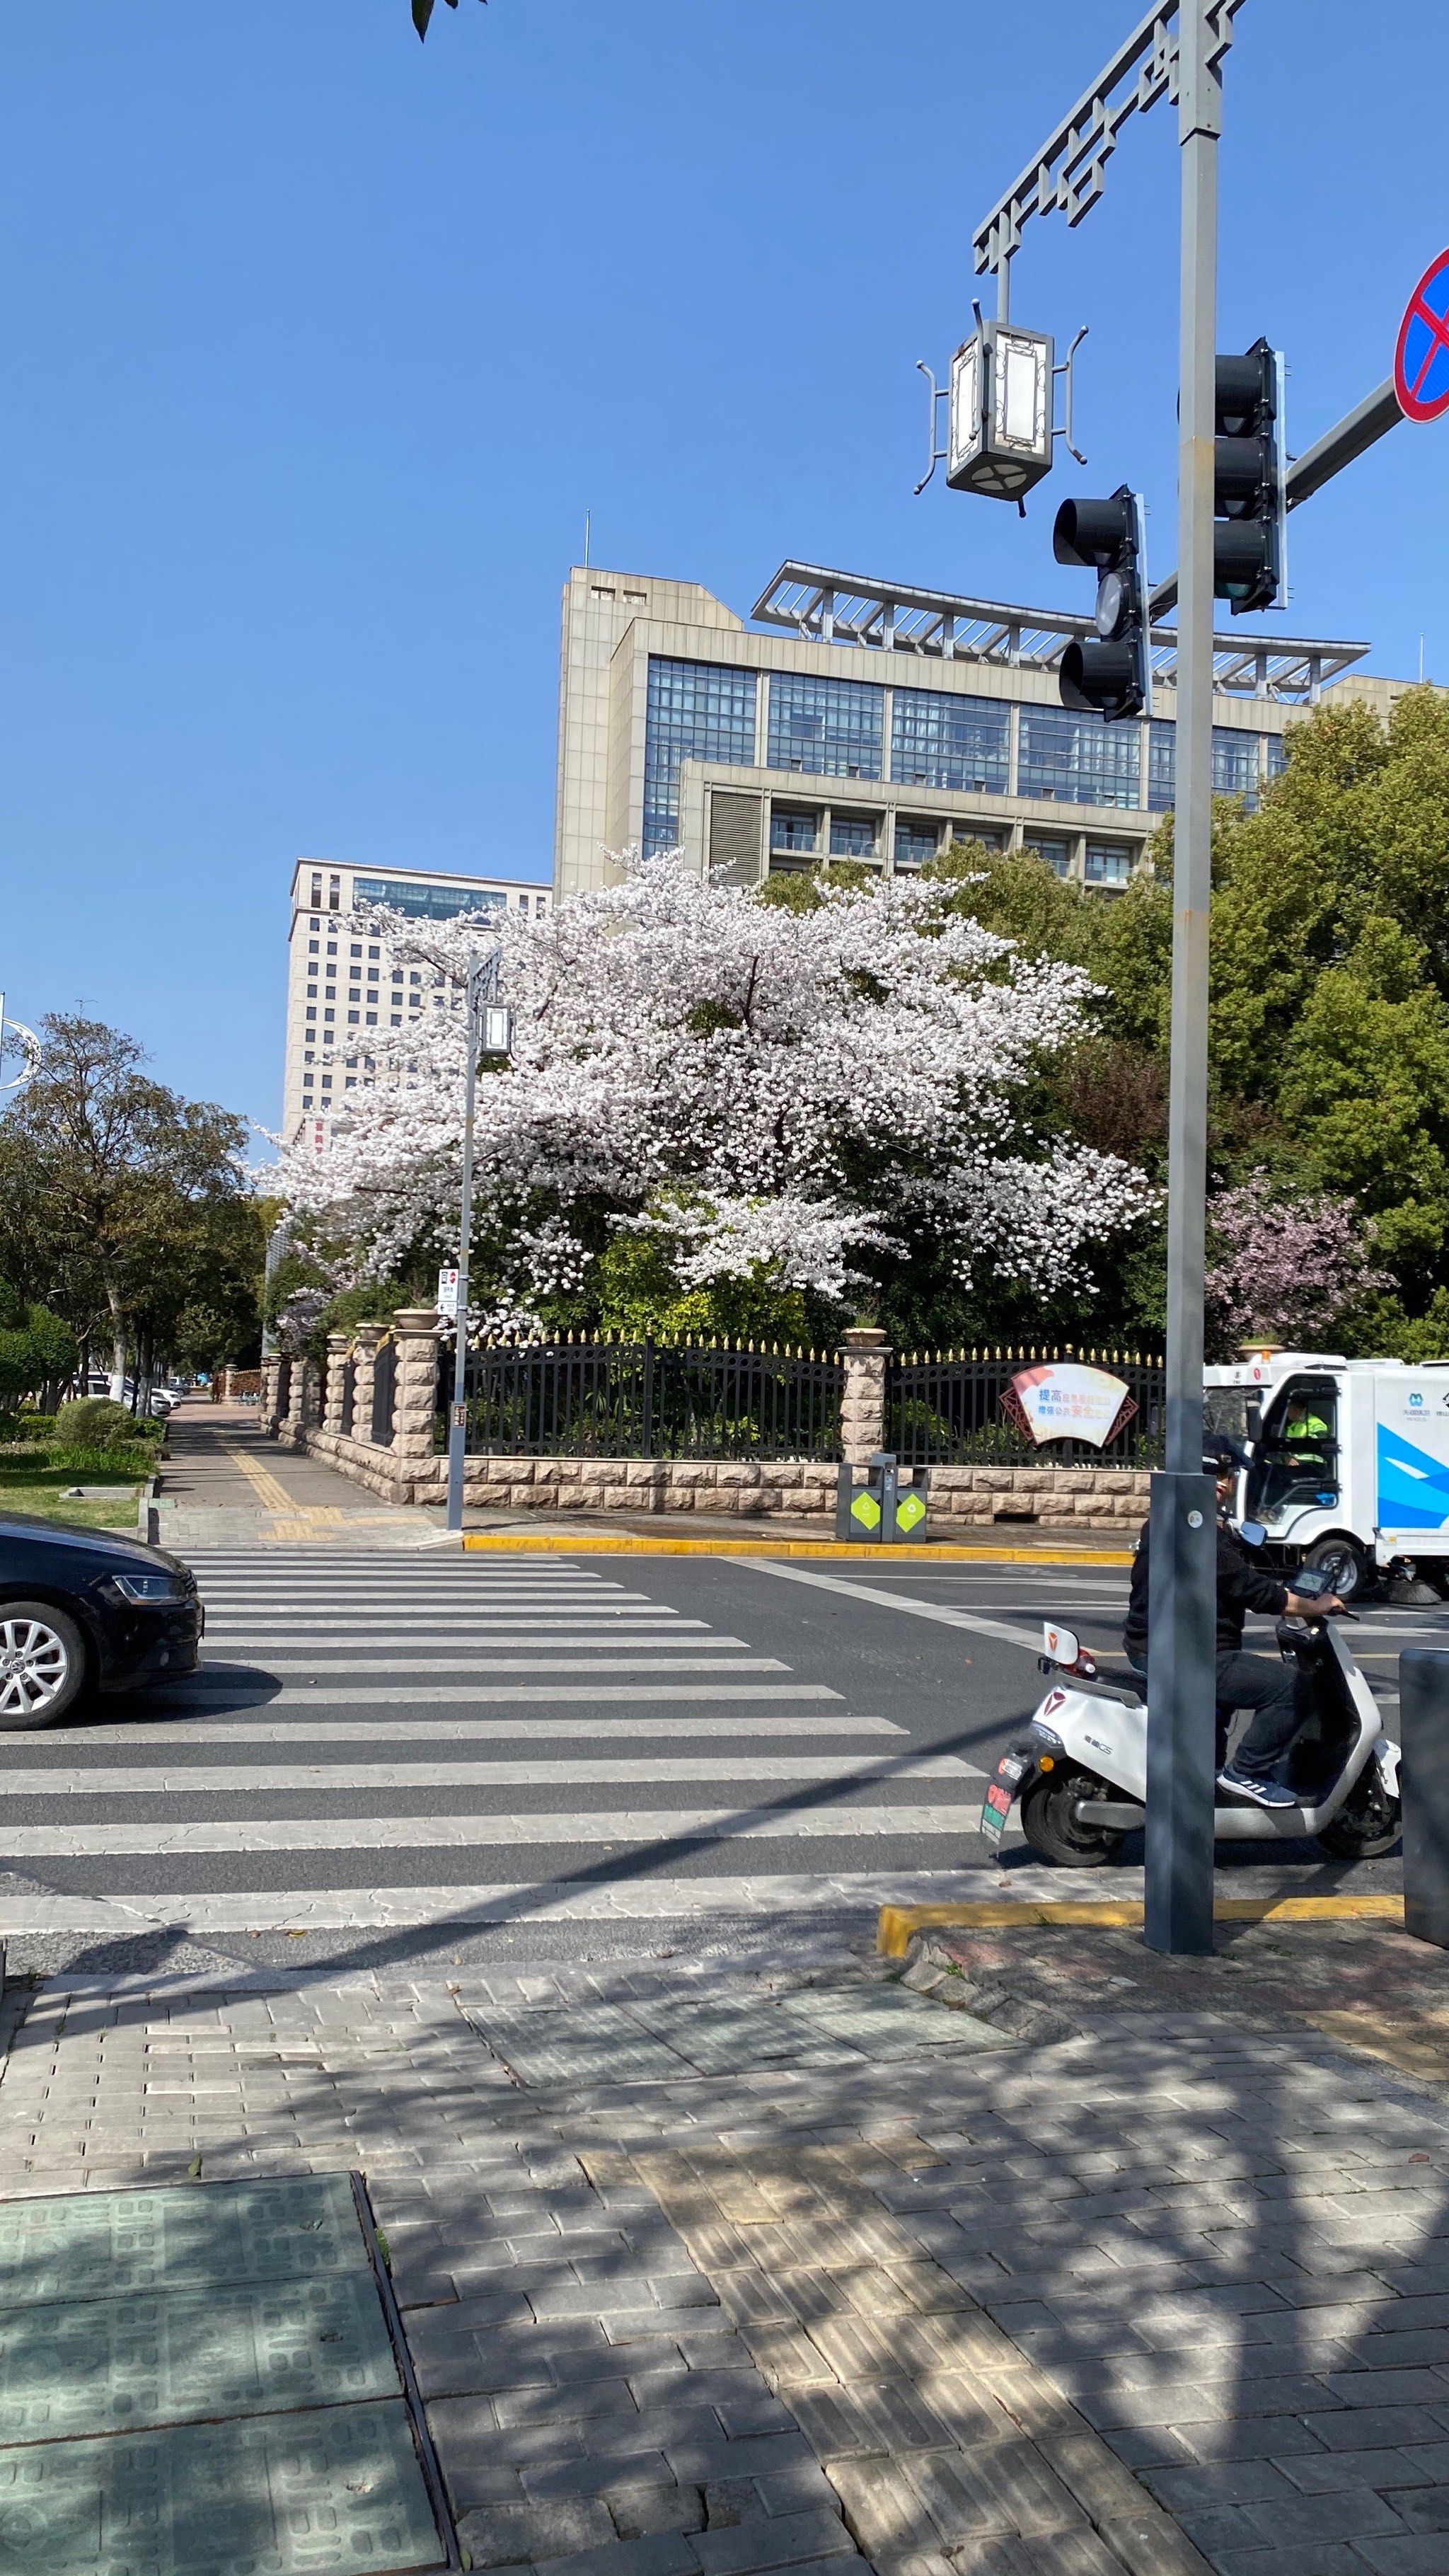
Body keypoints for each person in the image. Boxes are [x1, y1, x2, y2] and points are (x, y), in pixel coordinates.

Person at [1121, 1437, 1344, 1810]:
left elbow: (1231, 1579)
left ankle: (1204, 1785)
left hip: (1158, 1647)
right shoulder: (1197, 1532)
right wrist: (1316, 1604)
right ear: (1221, 1481)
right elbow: (1258, 1593)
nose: (1233, 1484)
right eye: (1232, 1475)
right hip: (1187, 1654)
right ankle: (1247, 1773)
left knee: (1221, 1705)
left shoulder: (1170, 1518)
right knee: (1292, 1687)